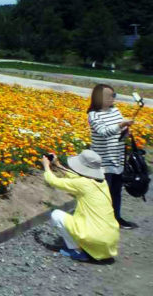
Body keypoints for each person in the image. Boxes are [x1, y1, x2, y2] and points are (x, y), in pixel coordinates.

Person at [43, 150, 119, 261]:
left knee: (56, 214)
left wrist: (46, 166)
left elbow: (53, 181)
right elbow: (77, 178)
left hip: (96, 238)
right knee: (78, 216)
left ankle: (76, 251)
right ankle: (92, 249)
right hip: (110, 239)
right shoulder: (102, 182)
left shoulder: (83, 184)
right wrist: (57, 165)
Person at [87, 84, 137, 229]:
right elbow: (103, 132)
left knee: (116, 192)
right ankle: (100, 221)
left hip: (117, 159)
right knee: (102, 194)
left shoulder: (115, 110)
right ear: (99, 98)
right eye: (110, 96)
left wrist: (126, 131)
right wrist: (121, 125)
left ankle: (116, 218)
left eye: (114, 95)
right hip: (102, 161)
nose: (113, 98)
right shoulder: (93, 115)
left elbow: (118, 132)